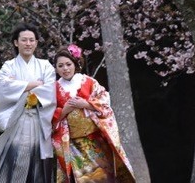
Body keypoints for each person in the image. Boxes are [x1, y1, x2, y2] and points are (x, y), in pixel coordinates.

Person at [51, 44, 135, 183]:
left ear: (76, 63)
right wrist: (64, 110)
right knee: (85, 179)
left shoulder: (89, 82)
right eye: (60, 66)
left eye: (68, 64)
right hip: (73, 144)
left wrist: (86, 104)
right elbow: (47, 118)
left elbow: (105, 102)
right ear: (56, 68)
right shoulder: (53, 89)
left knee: (105, 178)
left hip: (96, 140)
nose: (65, 68)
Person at [0, 24, 58, 183]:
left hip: (38, 120)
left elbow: (49, 91)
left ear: (36, 43)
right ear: (16, 43)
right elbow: (4, 87)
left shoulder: (45, 66)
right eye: (24, 40)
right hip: (18, 120)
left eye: (31, 40)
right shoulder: (9, 66)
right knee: (16, 161)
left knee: (39, 167)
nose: (28, 44)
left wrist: (19, 86)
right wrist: (33, 84)